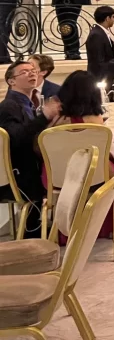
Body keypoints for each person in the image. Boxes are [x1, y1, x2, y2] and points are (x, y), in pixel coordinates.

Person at [0, 60, 60, 238]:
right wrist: (44, 117)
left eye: (33, 70)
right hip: (19, 175)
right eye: (25, 72)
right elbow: (17, 138)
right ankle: (33, 231)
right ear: (11, 81)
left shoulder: (26, 103)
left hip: (27, 167)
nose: (32, 73)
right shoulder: (9, 106)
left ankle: (43, 226)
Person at [86, 5, 114, 90]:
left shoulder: (102, 32)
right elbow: (98, 61)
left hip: (106, 77)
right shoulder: (96, 35)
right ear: (107, 18)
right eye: (113, 17)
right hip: (100, 78)